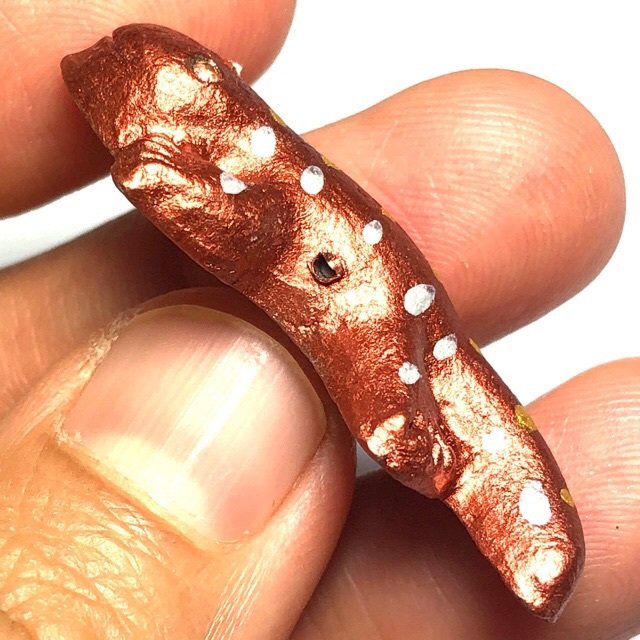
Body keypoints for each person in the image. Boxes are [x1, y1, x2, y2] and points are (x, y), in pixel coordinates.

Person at [0, 2, 633, 639]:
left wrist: (169, 188)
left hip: (383, 317)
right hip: (371, 306)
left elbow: (260, 230)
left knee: (406, 402)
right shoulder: (236, 150)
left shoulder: (238, 154)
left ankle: (434, 449)